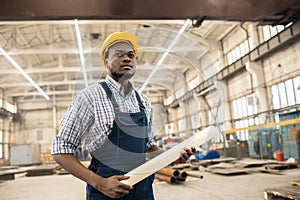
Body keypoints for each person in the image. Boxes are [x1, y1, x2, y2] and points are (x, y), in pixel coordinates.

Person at [51, 32, 195, 200]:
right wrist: (99, 183)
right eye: (119, 54)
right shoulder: (89, 98)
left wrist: (173, 157)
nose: (127, 58)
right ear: (106, 61)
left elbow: (148, 148)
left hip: (143, 191)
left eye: (131, 55)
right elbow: (61, 149)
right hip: (106, 191)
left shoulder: (144, 102)